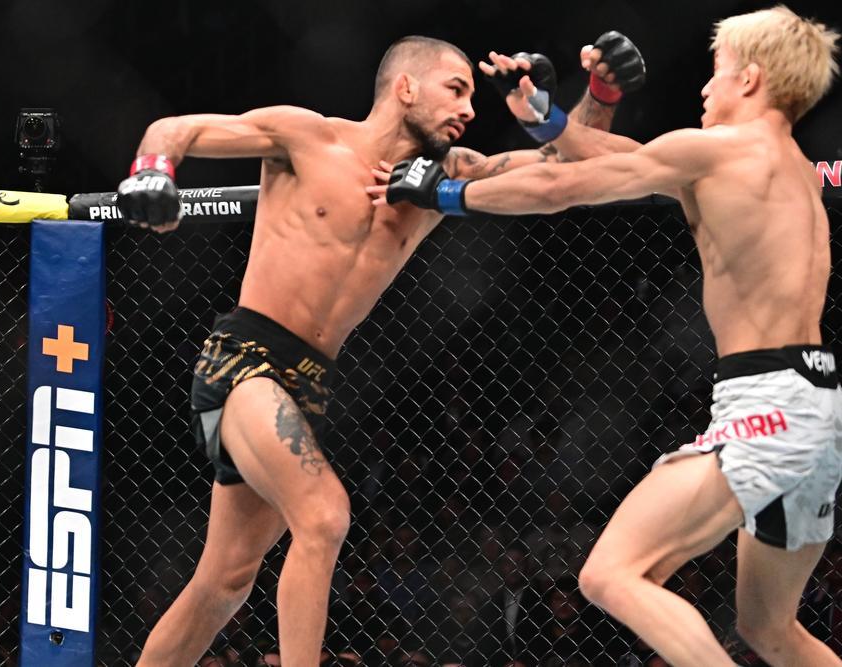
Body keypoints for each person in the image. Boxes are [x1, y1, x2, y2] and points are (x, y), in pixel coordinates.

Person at [118, 33, 642, 666]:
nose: (468, 108)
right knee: (324, 516)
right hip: (246, 359)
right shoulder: (308, 137)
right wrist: (152, 171)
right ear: (405, 87)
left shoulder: (446, 177)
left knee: (224, 583)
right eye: (456, 89)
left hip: (309, 383)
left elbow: (572, 171)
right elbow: (177, 127)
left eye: (472, 97)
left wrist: (591, 97)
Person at [372, 6, 841, 666]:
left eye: (717, 71)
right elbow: (625, 156)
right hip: (816, 404)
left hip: (766, 404)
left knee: (610, 574)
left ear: (751, 78)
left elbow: (560, 184)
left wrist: (444, 194)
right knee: (770, 629)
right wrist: (545, 117)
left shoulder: (716, 151)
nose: (705, 86)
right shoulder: (787, 165)